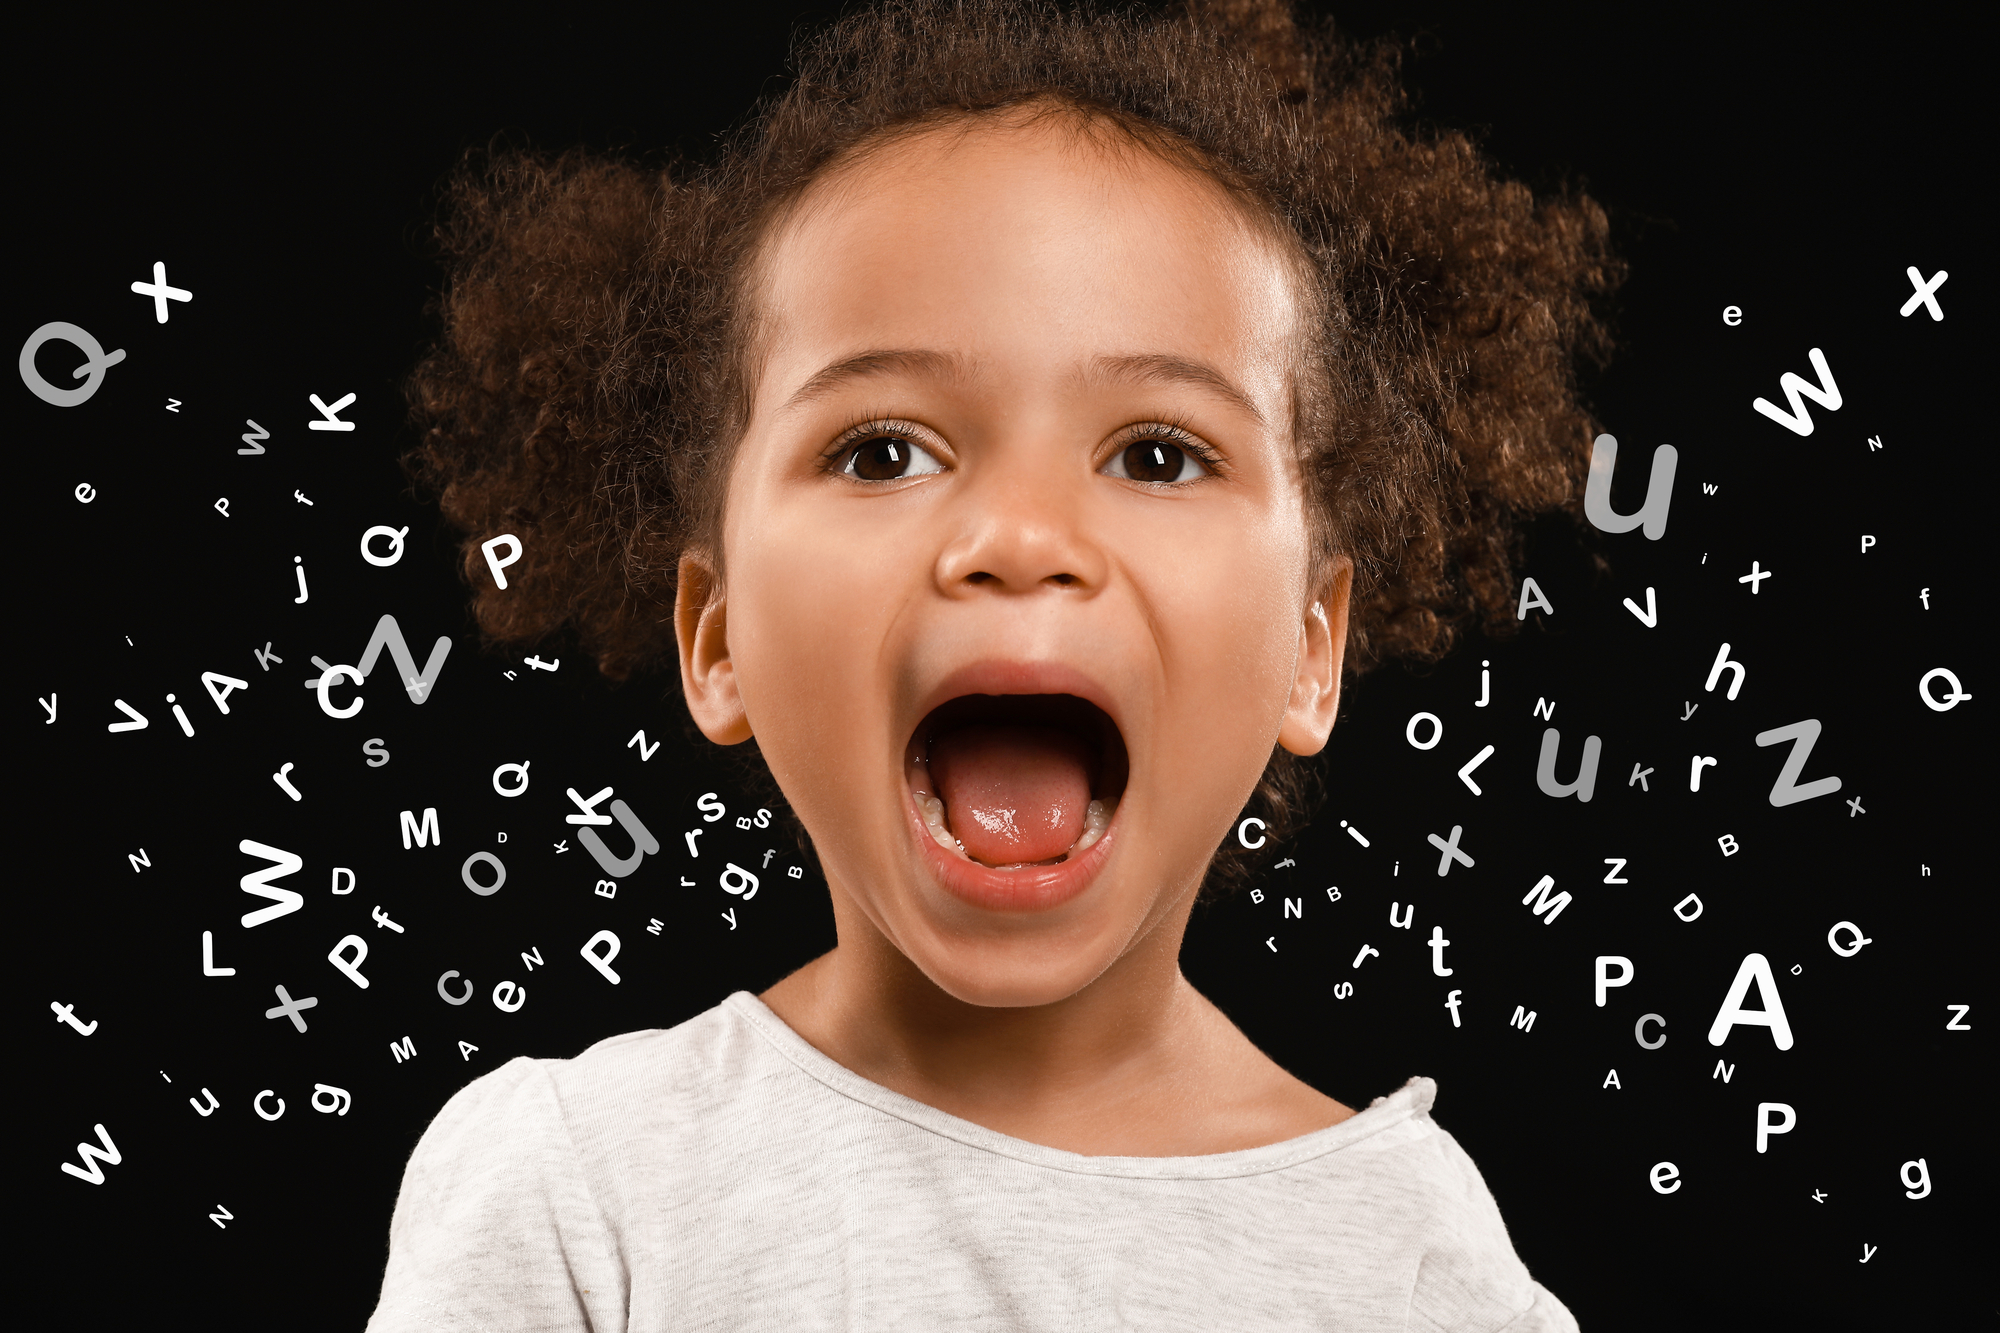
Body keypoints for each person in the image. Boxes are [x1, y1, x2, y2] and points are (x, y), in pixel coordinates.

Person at [372, 1, 1615, 1326]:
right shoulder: (583, 1188)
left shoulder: (1408, 1259)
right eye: (883, 452)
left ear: (1313, 647)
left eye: (1158, 456)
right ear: (717, 635)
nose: (1020, 538)